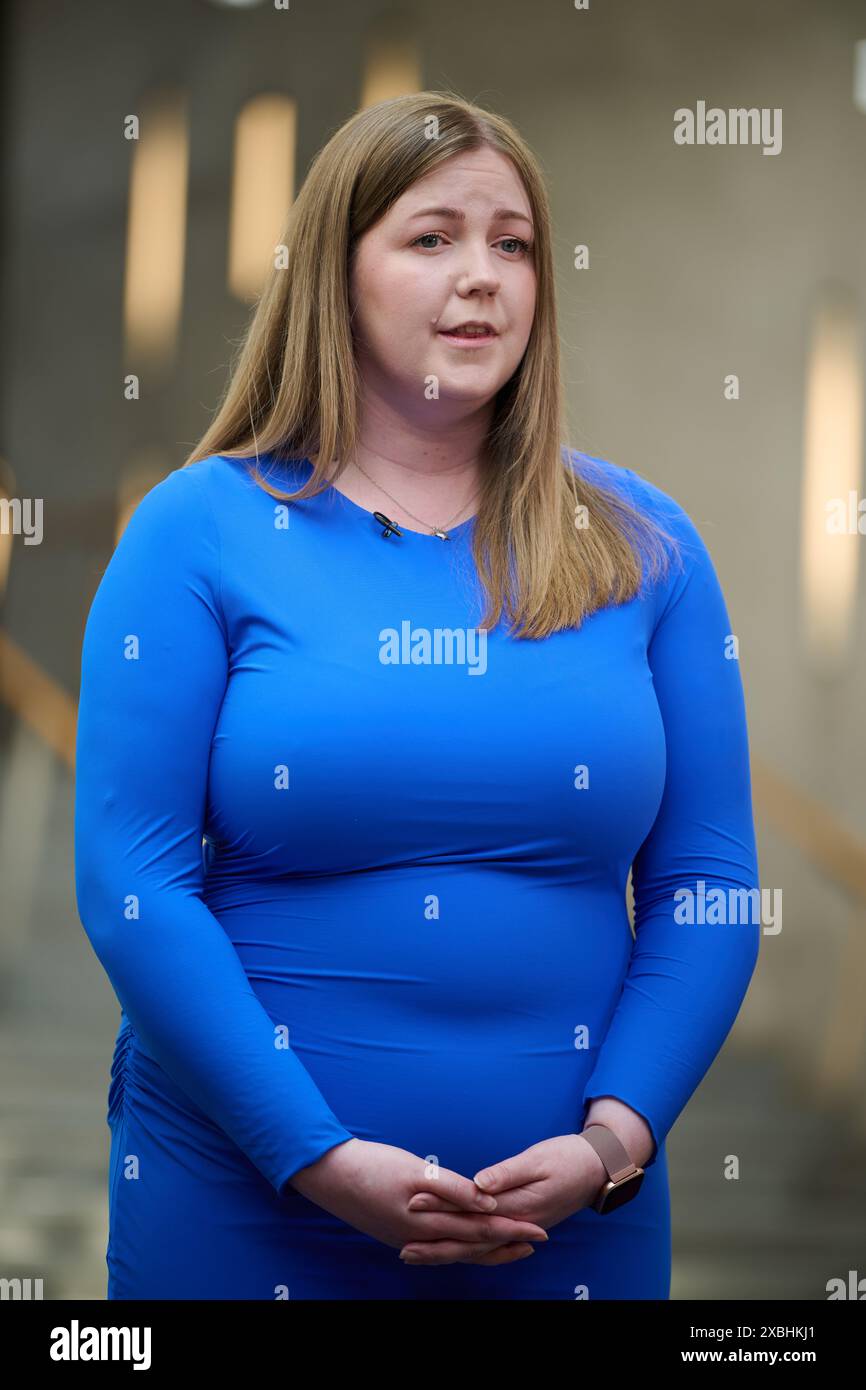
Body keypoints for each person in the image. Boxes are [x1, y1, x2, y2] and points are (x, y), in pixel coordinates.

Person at [74, 90, 761, 1300]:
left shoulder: (646, 544)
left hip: (564, 1225)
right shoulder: (196, 531)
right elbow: (133, 882)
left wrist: (613, 1143)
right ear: (334, 275)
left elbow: (707, 885)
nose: (482, 276)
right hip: (246, 1206)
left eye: (512, 244)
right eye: (431, 237)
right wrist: (318, 1157)